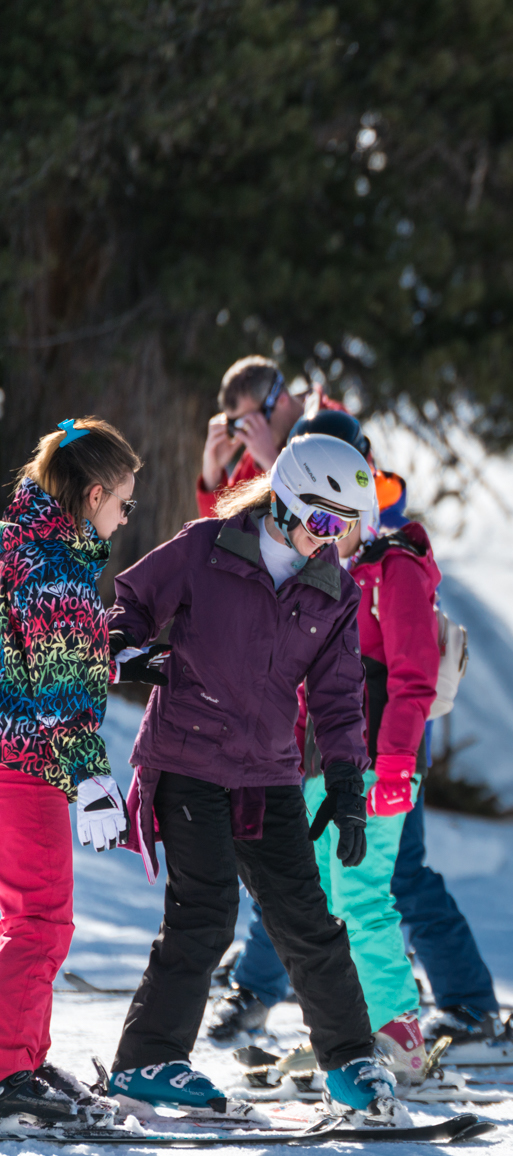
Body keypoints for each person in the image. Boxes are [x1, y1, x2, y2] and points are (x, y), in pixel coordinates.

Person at [107, 432, 397, 1115]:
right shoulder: (206, 548)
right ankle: (147, 1060)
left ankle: (352, 1060)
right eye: (323, 521)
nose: (330, 540)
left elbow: (337, 694)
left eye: (344, 528)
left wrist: (349, 783)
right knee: (205, 912)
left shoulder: (334, 589)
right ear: (288, 502)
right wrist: (125, 643)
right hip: (187, 754)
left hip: (267, 771)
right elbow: (134, 597)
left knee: (306, 916)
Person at [212, 412, 508, 1053]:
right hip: (319, 761)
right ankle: (345, 1034)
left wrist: (399, 763)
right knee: (315, 900)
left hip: (376, 758)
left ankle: (396, 1033)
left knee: (365, 893)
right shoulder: (319, 573)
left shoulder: (394, 567)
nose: (318, 529)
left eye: (333, 513)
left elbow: (412, 677)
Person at [0, 418, 140, 1123]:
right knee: (43, 921)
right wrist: (92, 780)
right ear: (92, 494)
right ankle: (7, 1070)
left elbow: (30, 655)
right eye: (123, 501)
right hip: (26, 763)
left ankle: (19, 1055)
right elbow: (58, 693)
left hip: (10, 750)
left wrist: (111, 658)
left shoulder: (18, 542)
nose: (124, 516)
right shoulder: (55, 562)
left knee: (23, 918)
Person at [196, 355, 306, 518]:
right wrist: (213, 472)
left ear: (281, 400)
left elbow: (321, 524)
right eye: (235, 425)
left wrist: (272, 461)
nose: (246, 434)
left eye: (250, 421)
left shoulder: (336, 427)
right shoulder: (254, 459)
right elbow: (219, 533)